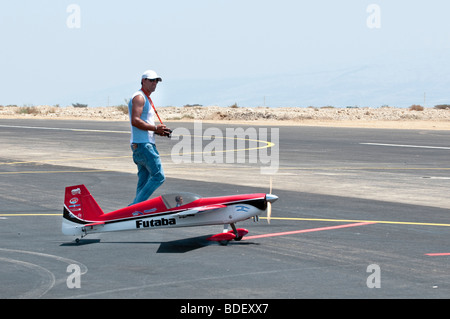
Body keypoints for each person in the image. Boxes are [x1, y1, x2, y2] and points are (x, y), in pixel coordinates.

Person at [128, 70, 171, 205]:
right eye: (151, 80)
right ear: (143, 81)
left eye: (156, 81)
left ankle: (134, 211)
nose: (154, 83)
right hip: (144, 145)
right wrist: (155, 128)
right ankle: (133, 209)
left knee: (144, 183)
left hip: (141, 144)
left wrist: (158, 132)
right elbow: (135, 120)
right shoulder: (140, 97)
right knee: (158, 176)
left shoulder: (145, 98)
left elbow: (141, 122)